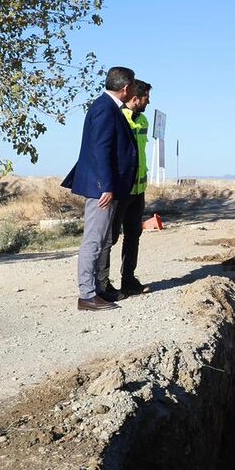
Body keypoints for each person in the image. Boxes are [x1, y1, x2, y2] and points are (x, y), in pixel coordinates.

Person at [62, 66, 138, 311]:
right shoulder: (105, 109)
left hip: (109, 188)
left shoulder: (109, 108)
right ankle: (87, 295)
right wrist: (104, 186)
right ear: (125, 88)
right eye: (133, 85)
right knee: (94, 241)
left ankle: (98, 290)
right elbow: (100, 150)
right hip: (101, 190)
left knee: (102, 239)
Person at [102, 79, 152, 296]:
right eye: (146, 98)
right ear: (135, 98)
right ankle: (103, 283)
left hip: (138, 191)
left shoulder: (144, 121)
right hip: (121, 191)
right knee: (109, 238)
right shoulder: (118, 118)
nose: (149, 102)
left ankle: (129, 279)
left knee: (134, 235)